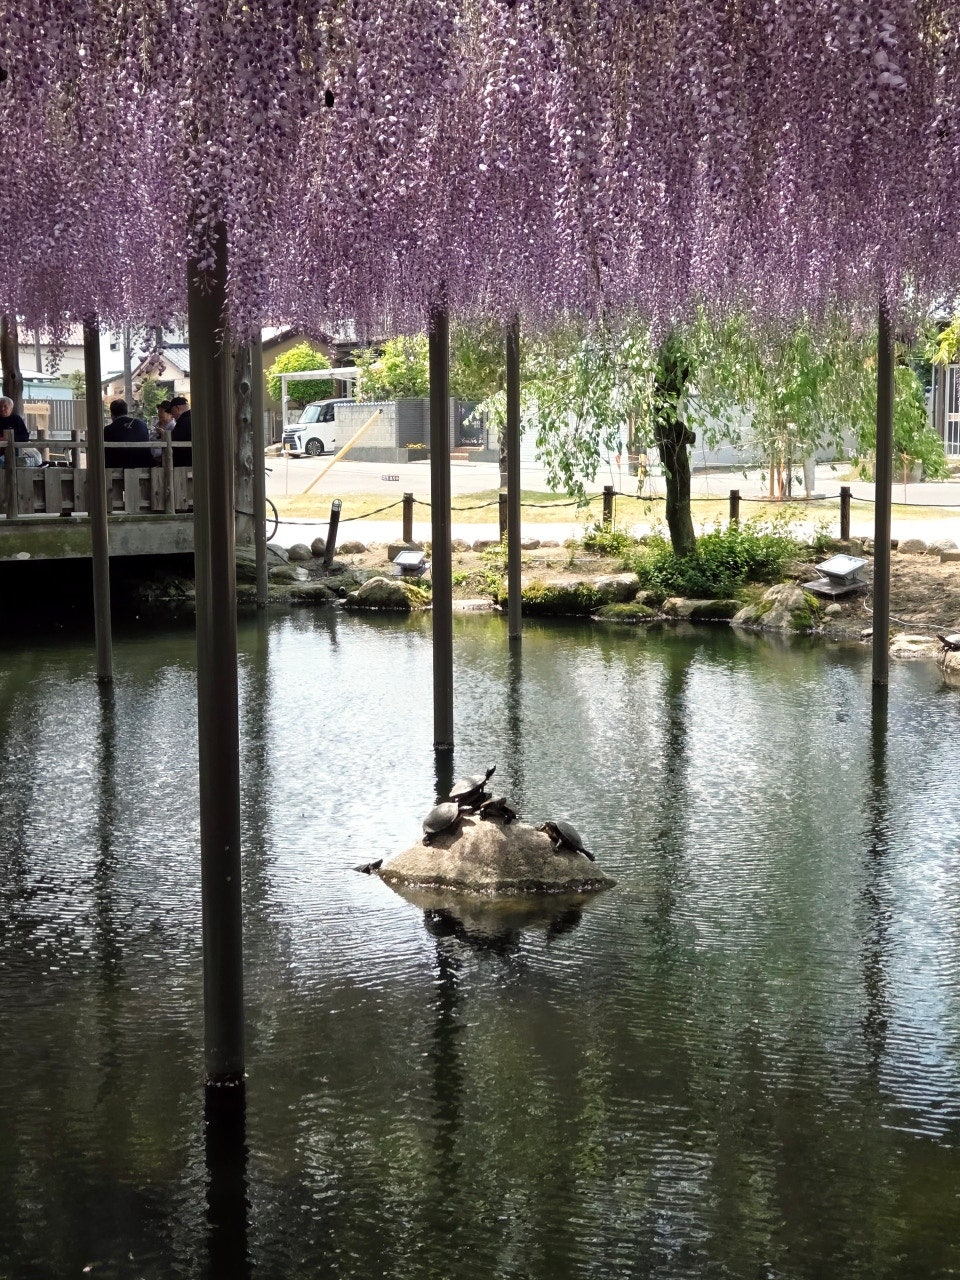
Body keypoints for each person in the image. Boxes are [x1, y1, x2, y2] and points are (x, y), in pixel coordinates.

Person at [103, 398, 153, 469]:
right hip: (144, 467)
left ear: (112, 414)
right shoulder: (142, 424)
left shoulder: (108, 429)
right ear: (126, 412)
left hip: (117, 469)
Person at [0, 395, 41, 467]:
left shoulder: (16, 419)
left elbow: (25, 436)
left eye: (5, 406)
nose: (2, 408)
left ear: (11, 408)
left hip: (15, 450)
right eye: (0, 406)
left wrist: (8, 439)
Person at [169, 395, 192, 467]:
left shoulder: (184, 421)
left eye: (171, 412)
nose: (172, 416)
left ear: (177, 408)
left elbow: (173, 439)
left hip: (184, 463)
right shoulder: (194, 417)